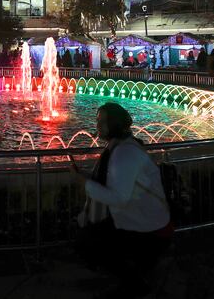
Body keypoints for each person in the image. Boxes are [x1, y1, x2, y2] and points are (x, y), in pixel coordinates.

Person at [70, 103, 172, 298]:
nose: (97, 125)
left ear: (114, 124)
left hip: (150, 226)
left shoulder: (125, 153)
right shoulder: (121, 146)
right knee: (88, 233)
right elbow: (113, 183)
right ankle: (133, 271)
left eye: (102, 121)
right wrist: (85, 175)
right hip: (140, 216)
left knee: (87, 240)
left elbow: (119, 198)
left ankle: (134, 282)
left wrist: (83, 183)